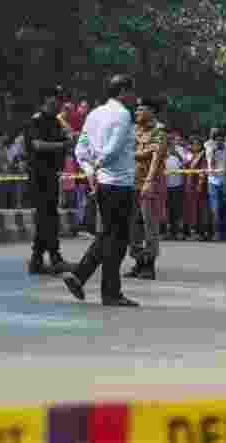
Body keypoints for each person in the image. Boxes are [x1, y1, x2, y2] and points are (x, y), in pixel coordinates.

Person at [61, 74, 139, 307]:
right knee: (118, 239)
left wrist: (91, 172)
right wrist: (97, 166)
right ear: (123, 91)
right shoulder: (123, 114)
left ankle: (81, 277)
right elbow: (113, 149)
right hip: (119, 184)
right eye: (132, 92)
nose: (134, 98)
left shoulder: (94, 114)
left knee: (108, 236)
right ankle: (109, 292)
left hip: (104, 184)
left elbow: (81, 150)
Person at [25, 87, 77, 275]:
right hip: (39, 176)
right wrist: (63, 145)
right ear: (47, 100)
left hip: (51, 174)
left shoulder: (55, 122)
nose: (60, 104)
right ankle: (55, 258)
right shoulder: (36, 121)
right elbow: (37, 144)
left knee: (47, 217)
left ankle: (37, 260)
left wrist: (70, 139)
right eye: (57, 100)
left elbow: (65, 140)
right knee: (47, 217)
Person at [124, 97, 168, 280]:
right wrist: (142, 153)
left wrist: (149, 181)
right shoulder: (133, 131)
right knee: (133, 225)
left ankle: (149, 265)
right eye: (137, 109)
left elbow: (156, 159)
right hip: (132, 182)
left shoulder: (159, 132)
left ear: (151, 112)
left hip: (151, 184)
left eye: (141, 109)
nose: (137, 113)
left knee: (150, 225)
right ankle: (138, 261)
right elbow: (127, 152)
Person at [205, 128, 226, 241]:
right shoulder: (209, 147)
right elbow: (208, 146)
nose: (219, 141)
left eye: (221, 139)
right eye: (216, 139)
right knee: (215, 209)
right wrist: (215, 148)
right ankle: (217, 233)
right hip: (213, 182)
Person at [184, 137, 212, 241]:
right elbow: (185, 167)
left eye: (197, 144)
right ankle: (192, 232)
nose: (194, 146)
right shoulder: (190, 155)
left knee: (199, 210)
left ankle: (200, 233)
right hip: (189, 186)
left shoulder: (203, 156)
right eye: (193, 144)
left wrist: (199, 184)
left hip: (198, 188)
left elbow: (203, 171)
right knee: (190, 210)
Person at [164, 134, 186, 240]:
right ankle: (167, 231)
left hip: (178, 185)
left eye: (171, 140)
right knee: (167, 210)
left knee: (176, 210)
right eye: (168, 140)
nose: (170, 142)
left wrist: (177, 154)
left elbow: (186, 163)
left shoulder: (180, 150)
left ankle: (177, 231)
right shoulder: (161, 150)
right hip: (165, 185)